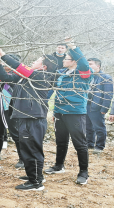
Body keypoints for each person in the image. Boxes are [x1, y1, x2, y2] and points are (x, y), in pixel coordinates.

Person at [0, 45, 57, 191]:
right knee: (30, 149)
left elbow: (18, 66)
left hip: (32, 118)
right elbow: (5, 77)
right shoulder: (25, 76)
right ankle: (35, 176)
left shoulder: (42, 76)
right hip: (25, 117)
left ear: (44, 67)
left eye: (37, 61)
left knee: (31, 150)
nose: (33, 62)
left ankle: (35, 183)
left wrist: (2, 54)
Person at [44, 38, 93, 185]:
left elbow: (83, 62)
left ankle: (84, 172)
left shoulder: (83, 74)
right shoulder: (61, 73)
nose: (64, 60)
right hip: (60, 112)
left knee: (80, 143)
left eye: (67, 58)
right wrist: (53, 110)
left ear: (74, 61)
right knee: (61, 141)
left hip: (75, 113)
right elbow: (56, 92)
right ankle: (59, 165)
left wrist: (73, 46)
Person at [86, 58, 113, 154]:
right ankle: (89, 144)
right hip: (86, 105)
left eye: (90, 64)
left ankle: (99, 146)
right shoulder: (87, 76)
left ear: (98, 66)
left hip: (97, 106)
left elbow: (108, 94)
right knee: (88, 127)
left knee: (99, 127)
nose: (88, 65)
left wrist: (105, 108)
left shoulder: (105, 77)